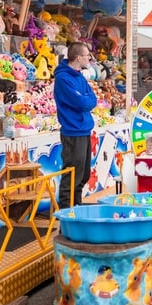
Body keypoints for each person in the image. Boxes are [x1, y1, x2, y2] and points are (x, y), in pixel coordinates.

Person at [54, 42, 98, 209]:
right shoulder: (63, 79)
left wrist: (85, 99)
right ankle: (66, 212)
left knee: (83, 174)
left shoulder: (79, 76)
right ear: (78, 57)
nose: (89, 58)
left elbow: (92, 99)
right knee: (72, 174)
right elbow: (81, 102)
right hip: (72, 131)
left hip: (84, 129)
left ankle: (76, 207)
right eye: (87, 55)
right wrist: (84, 99)